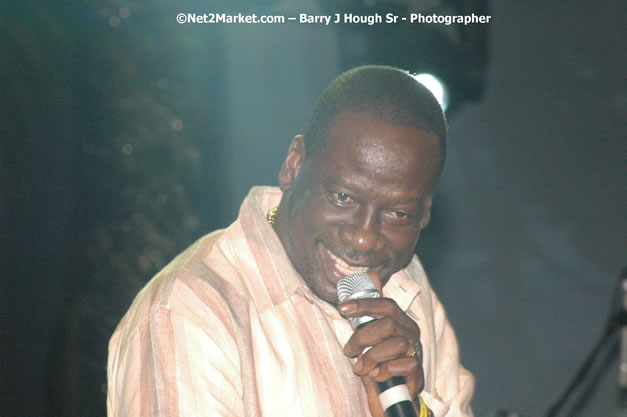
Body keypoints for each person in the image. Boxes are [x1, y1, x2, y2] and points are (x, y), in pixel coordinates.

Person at [107, 65, 474, 417]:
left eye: (397, 214)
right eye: (342, 197)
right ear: (294, 166)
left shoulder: (407, 285)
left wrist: (416, 409)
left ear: (425, 213)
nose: (363, 238)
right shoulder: (189, 313)